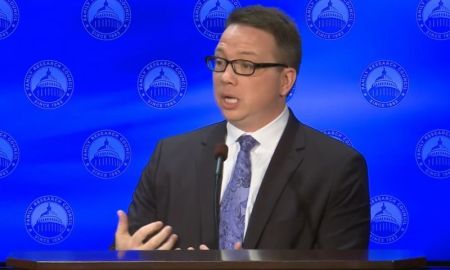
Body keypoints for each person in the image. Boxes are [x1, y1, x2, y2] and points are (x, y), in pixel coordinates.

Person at [114, 5, 370, 250]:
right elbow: (130, 248)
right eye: (221, 62)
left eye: (245, 66)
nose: (226, 76)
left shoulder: (336, 168)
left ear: (285, 80)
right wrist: (123, 257)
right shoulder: (170, 157)